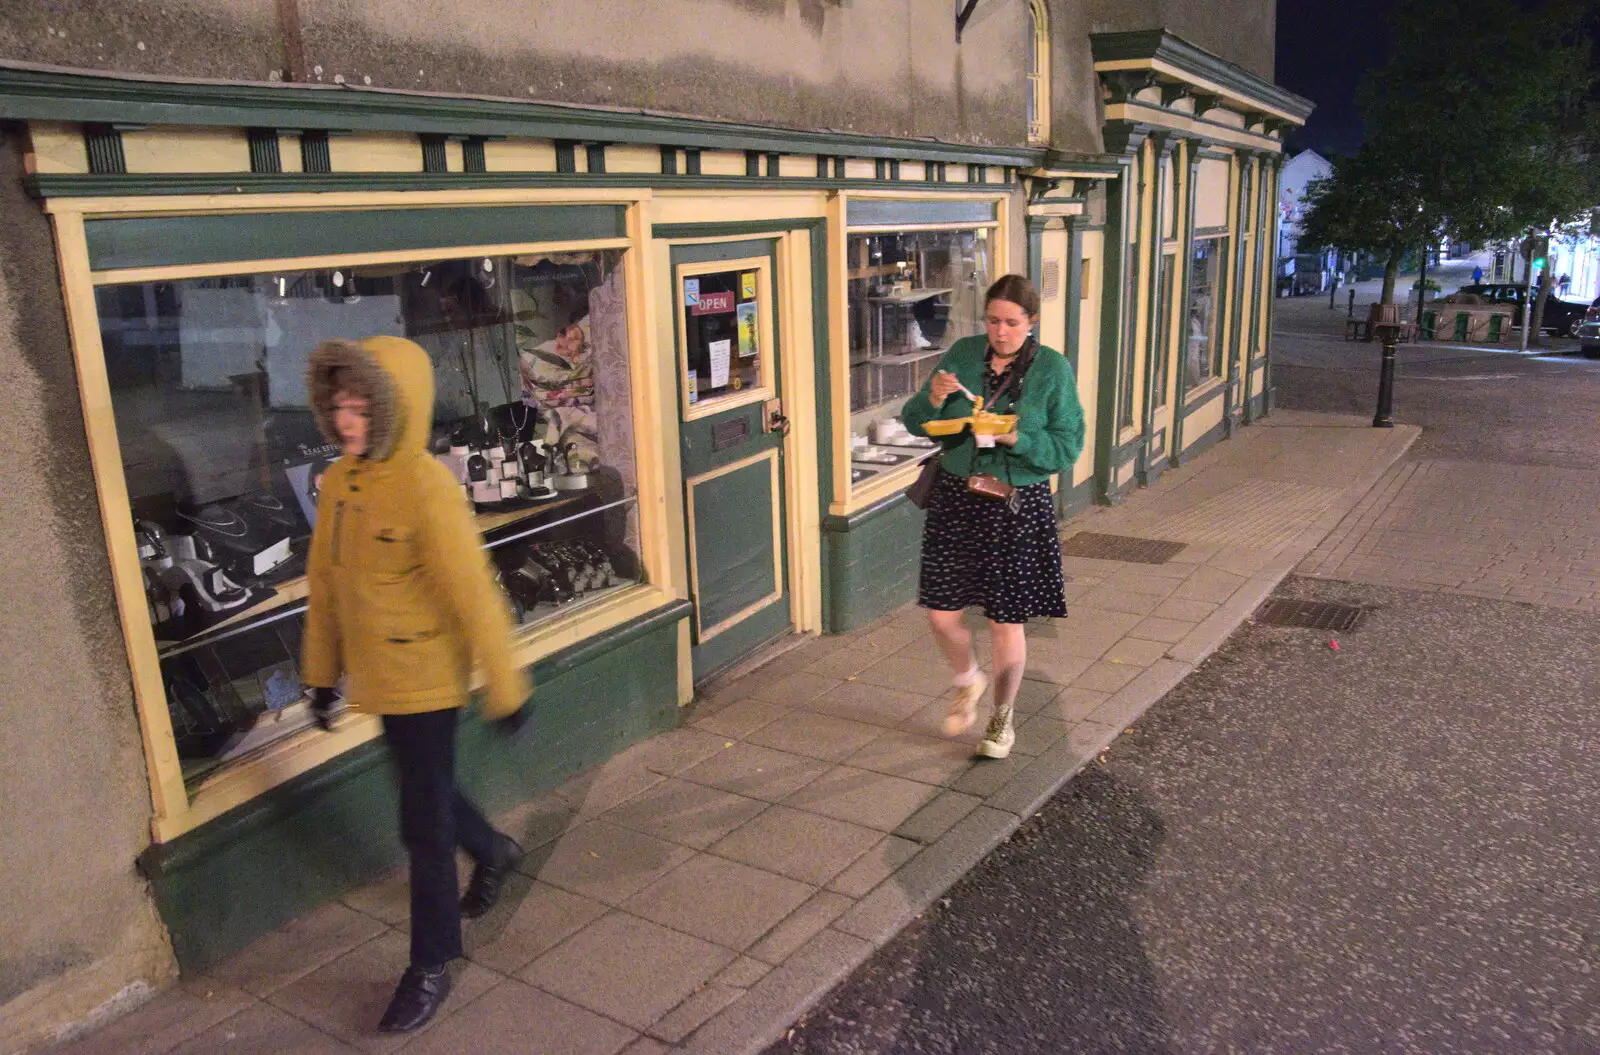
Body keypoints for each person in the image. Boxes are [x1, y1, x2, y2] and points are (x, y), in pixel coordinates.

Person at [302, 336, 532, 1033]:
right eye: (339, 405)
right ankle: (494, 850)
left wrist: (506, 685)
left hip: (427, 679)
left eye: (362, 406)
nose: (347, 420)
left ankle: (429, 964)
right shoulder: (341, 482)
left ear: (394, 407)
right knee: (424, 792)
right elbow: (325, 587)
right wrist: (319, 674)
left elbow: (473, 591)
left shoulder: (426, 485)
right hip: (380, 678)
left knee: (421, 823)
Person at [900, 275, 1085, 759]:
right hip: (957, 498)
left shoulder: (1051, 369)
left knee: (1006, 621)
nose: (1000, 332)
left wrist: (1014, 438)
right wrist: (933, 399)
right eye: (993, 321)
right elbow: (916, 420)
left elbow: (1067, 448)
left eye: (1011, 323)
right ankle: (968, 680)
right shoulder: (962, 353)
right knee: (942, 616)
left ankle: (1002, 721)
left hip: (1014, 506)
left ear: (1032, 322)